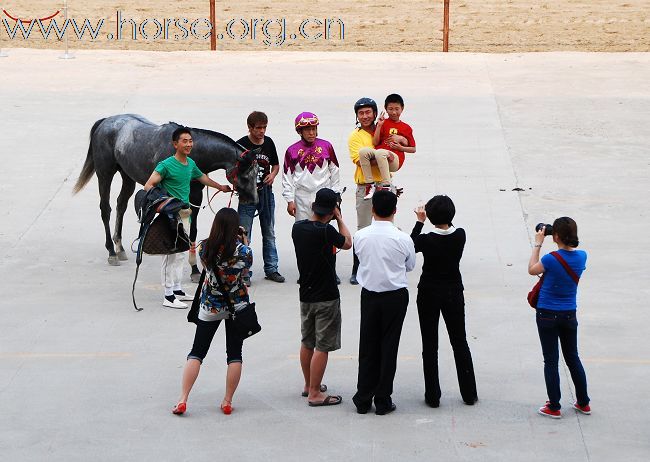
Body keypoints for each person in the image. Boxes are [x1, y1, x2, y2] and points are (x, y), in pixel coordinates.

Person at [171, 207, 253, 416]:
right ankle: (227, 401)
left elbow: (206, 267)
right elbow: (244, 271)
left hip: (210, 305)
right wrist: (243, 241)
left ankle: (183, 399)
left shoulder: (204, 247)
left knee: (197, 352)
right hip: (237, 306)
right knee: (234, 354)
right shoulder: (244, 251)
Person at [144, 127, 231, 309]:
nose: (189, 144)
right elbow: (148, 185)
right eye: (184, 141)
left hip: (185, 215)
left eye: (190, 141)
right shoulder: (166, 165)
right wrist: (165, 202)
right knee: (170, 256)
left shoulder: (190, 164)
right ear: (175, 144)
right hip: (170, 217)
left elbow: (203, 179)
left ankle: (177, 290)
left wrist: (220, 187)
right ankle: (168, 296)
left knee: (181, 254)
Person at [352, 190, 416, 415]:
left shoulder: (361, 236)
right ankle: (382, 399)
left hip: (369, 295)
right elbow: (409, 265)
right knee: (389, 347)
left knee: (367, 346)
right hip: (395, 296)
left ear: (373, 210)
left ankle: (362, 398)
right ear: (395, 211)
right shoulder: (402, 238)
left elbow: (360, 259)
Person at [411, 196, 477, 408]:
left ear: (429, 217)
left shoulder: (426, 239)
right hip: (453, 291)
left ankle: (432, 395)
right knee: (459, 341)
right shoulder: (460, 235)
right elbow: (450, 227)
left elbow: (411, 244)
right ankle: (468, 393)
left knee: (429, 344)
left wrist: (419, 222)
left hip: (429, 291)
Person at [291, 188, 352, 406]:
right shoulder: (326, 232)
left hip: (305, 294)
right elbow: (347, 242)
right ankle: (316, 393)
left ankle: (309, 384)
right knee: (323, 346)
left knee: (307, 341)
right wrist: (340, 218)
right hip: (326, 295)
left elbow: (313, 224)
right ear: (331, 211)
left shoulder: (297, 228)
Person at [528, 217, 590, 419]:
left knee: (551, 360)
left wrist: (538, 242)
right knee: (573, 357)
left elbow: (532, 269)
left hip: (547, 314)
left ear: (555, 237)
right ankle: (583, 402)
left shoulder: (550, 258)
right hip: (569, 314)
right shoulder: (582, 256)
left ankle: (554, 406)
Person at [348, 97, 409, 284]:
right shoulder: (355, 136)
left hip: (385, 185)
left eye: (368, 112)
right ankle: (357, 268)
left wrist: (397, 146)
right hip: (365, 186)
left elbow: (400, 148)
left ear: (375, 113)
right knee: (363, 229)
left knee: (387, 227)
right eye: (361, 113)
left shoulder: (385, 128)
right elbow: (361, 161)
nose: (365, 116)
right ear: (357, 116)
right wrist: (384, 156)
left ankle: (386, 265)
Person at [237, 111, 284, 285]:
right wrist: (239, 183)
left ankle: (272, 268)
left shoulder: (269, 143)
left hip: (266, 195)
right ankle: (244, 273)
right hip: (247, 196)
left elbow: (276, 164)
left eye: (264, 127)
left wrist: (272, 175)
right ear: (250, 128)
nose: (262, 131)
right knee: (243, 235)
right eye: (258, 128)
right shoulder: (241, 144)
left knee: (269, 232)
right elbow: (232, 169)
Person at [282, 112, 340, 222]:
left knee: (324, 231)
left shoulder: (327, 146)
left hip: (323, 194)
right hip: (302, 196)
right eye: (307, 130)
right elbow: (287, 176)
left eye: (314, 129)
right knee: (303, 230)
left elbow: (334, 170)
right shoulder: (292, 150)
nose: (311, 133)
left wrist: (336, 195)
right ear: (300, 131)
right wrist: (289, 200)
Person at [359, 93, 416, 199]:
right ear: (385, 109)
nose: (394, 112)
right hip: (380, 155)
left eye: (397, 109)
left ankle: (386, 186)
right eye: (390, 109)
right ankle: (370, 184)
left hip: (395, 159)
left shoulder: (406, 128)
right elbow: (375, 143)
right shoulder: (382, 123)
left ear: (402, 109)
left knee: (380, 152)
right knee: (363, 152)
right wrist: (379, 125)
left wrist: (401, 147)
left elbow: (413, 149)